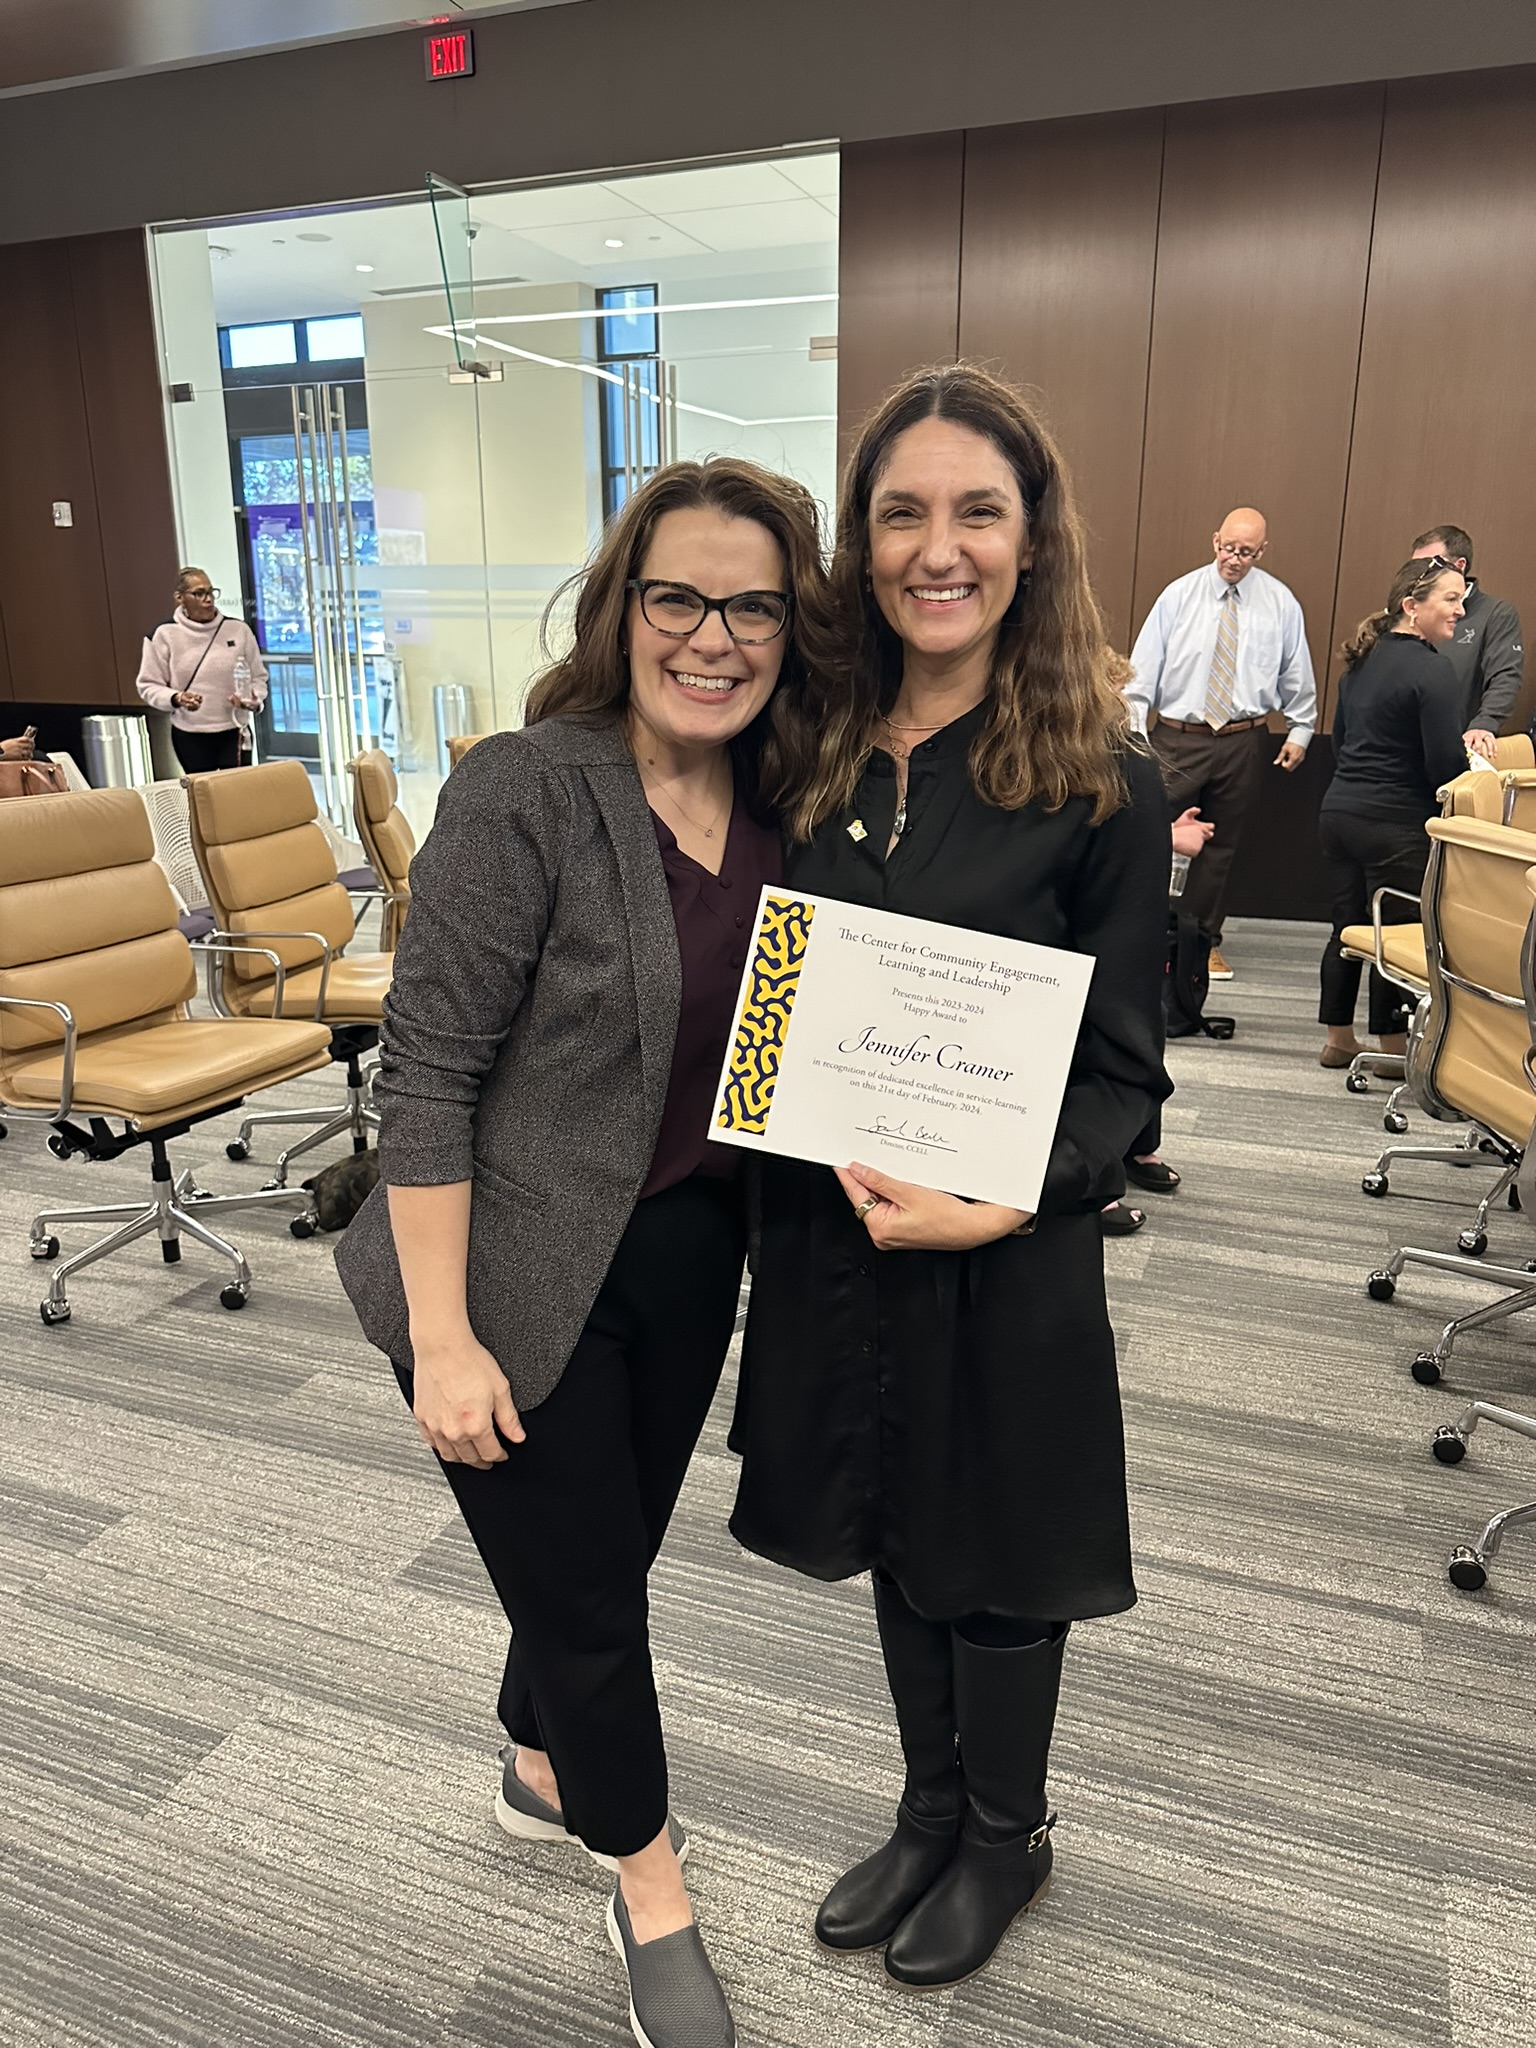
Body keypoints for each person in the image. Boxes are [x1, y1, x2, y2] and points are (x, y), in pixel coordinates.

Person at [333, 458, 832, 2048]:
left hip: (687, 1247)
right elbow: (428, 1075)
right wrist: (444, 1338)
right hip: (499, 1265)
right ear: (623, 608)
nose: (714, 636)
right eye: (677, 597)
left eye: (752, 604)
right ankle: (652, 1891)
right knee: (602, 1616)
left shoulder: (786, 801)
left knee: (593, 1561)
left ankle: (536, 1757)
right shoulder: (530, 788)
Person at [729, 365, 1171, 1992]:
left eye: (975, 509)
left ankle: (1006, 1832)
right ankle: (926, 1805)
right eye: (901, 510)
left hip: (1005, 1243)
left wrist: (1015, 1194)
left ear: (1028, 535)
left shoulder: (1100, 783)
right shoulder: (810, 752)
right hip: (841, 1237)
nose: (937, 545)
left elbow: (1126, 1070)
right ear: (861, 537)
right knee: (891, 1519)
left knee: (998, 1546)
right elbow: (770, 985)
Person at [1125, 508, 1317, 981]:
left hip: (1243, 739)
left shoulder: (1279, 603)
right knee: (1144, 831)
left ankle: (1201, 943)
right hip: (1177, 738)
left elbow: (1296, 672)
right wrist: (1134, 733)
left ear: (1261, 551)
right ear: (1215, 541)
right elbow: (1142, 670)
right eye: (1228, 548)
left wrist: (1301, 729)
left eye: (1246, 552)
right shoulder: (1179, 596)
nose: (1234, 559)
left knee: (1221, 848)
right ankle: (1137, 931)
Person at [1317, 556, 1469, 1070]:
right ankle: (1392, 1046)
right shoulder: (1432, 669)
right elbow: (1445, 764)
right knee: (1398, 931)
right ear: (1412, 606)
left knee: (1347, 926)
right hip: (1396, 823)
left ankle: (1339, 1038)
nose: (1460, 609)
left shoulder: (1362, 659)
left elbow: (1341, 741)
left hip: (1339, 812)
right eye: (1450, 598)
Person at [1102, 802, 1214, 1236]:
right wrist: (1163, 839)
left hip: (1134, 879)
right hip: (1084, 885)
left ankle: (1137, 1144)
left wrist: (1162, 828)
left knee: (1147, 1013)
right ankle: (1090, 1177)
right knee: (1097, 1028)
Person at [135, 567, 267, 773]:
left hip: (234, 731)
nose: (208, 599)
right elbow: (148, 685)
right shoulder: (164, 634)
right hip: (190, 733)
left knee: (236, 794)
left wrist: (253, 699)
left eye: (211, 592)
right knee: (202, 794)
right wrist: (176, 698)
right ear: (180, 597)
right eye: (198, 593)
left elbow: (258, 677)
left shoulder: (238, 630)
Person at [1408, 524, 1523, 760]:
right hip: (1403, 744)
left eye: (1430, 565)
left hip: (1457, 746)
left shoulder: (1495, 613)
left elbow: (1505, 677)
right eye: (1415, 567)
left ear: (1459, 566)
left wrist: (1484, 723)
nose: (1419, 575)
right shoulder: (1409, 609)